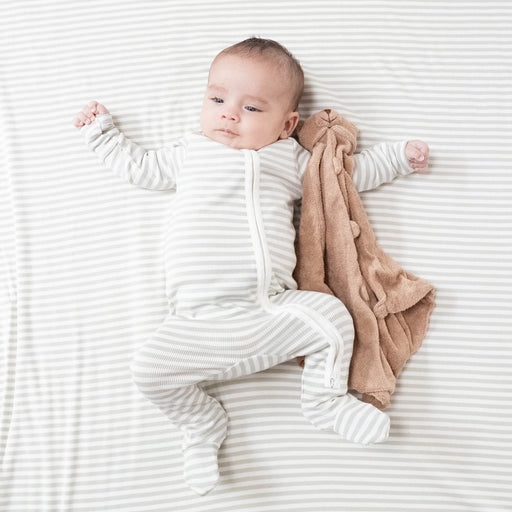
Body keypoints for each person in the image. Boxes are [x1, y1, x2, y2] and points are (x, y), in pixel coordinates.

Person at [73, 38, 429, 495]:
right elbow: (139, 167)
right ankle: (201, 426)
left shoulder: (289, 159)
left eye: (252, 109)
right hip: (195, 321)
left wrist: (397, 157)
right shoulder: (190, 152)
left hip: (268, 310)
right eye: (217, 99)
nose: (228, 114)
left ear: (287, 124)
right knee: (147, 371)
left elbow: (343, 178)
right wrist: (102, 133)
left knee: (332, 316)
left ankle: (326, 403)